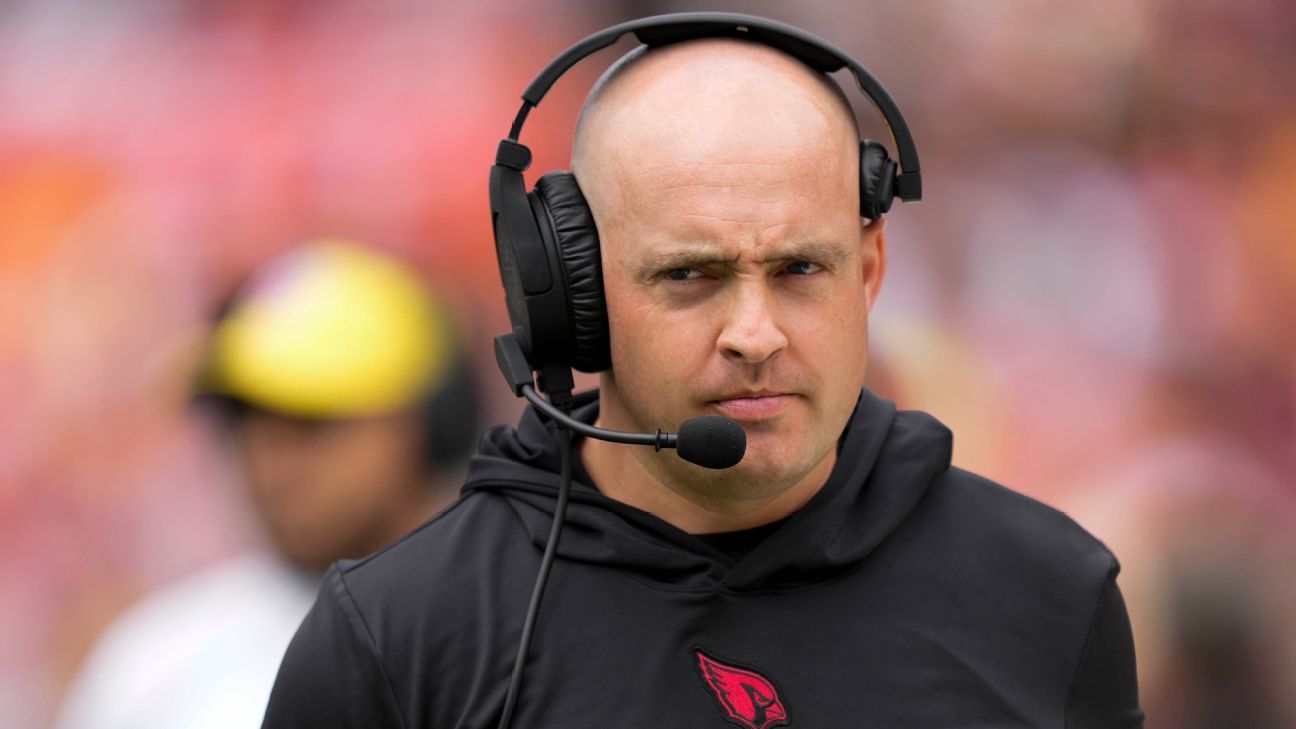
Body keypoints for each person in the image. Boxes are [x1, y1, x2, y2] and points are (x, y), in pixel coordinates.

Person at [263, 17, 1143, 729]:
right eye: (690, 275)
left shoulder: (1050, 594)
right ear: (574, 295)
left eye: (800, 269)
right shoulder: (398, 636)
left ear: (870, 270)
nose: (754, 335)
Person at [56, 240, 479, 729]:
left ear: (430, 424)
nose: (269, 466)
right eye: (243, 421)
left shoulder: (516, 633)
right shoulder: (151, 664)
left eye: (311, 419)